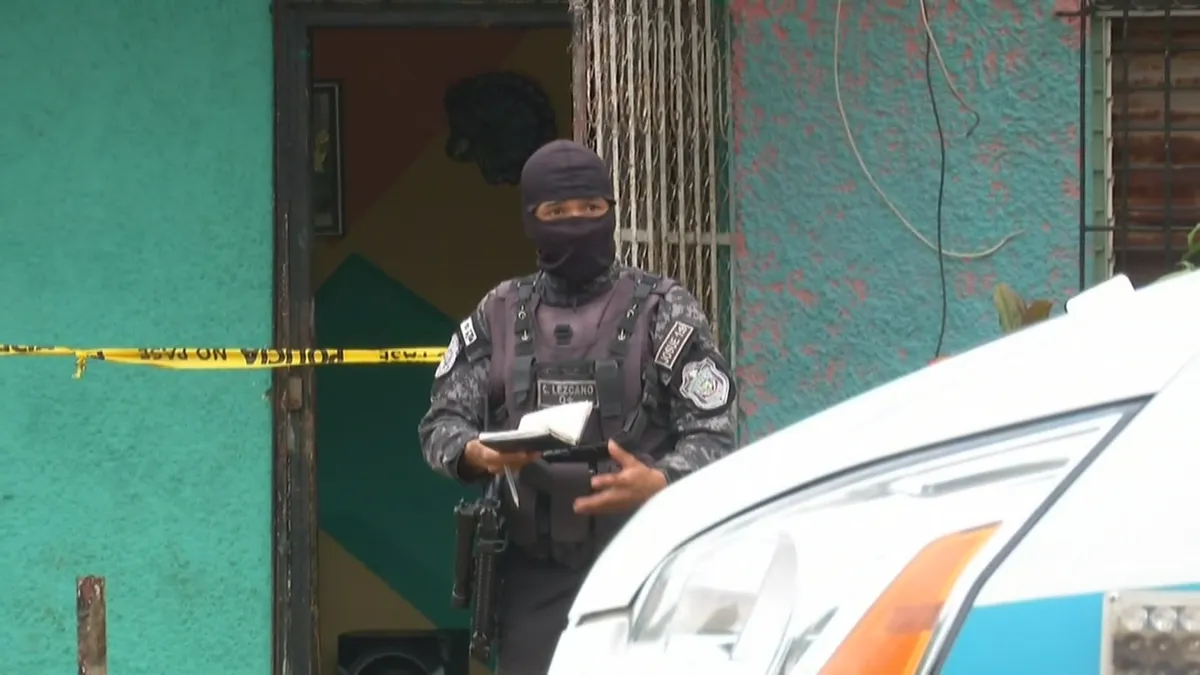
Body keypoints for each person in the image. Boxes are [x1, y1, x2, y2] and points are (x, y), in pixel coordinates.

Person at [417, 139, 737, 675]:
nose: (576, 222)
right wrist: (476, 453)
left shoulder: (663, 308)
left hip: (647, 567)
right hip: (533, 581)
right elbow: (440, 425)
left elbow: (715, 432)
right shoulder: (500, 313)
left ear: (611, 210)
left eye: (591, 208)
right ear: (531, 219)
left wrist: (660, 481)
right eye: (557, 212)